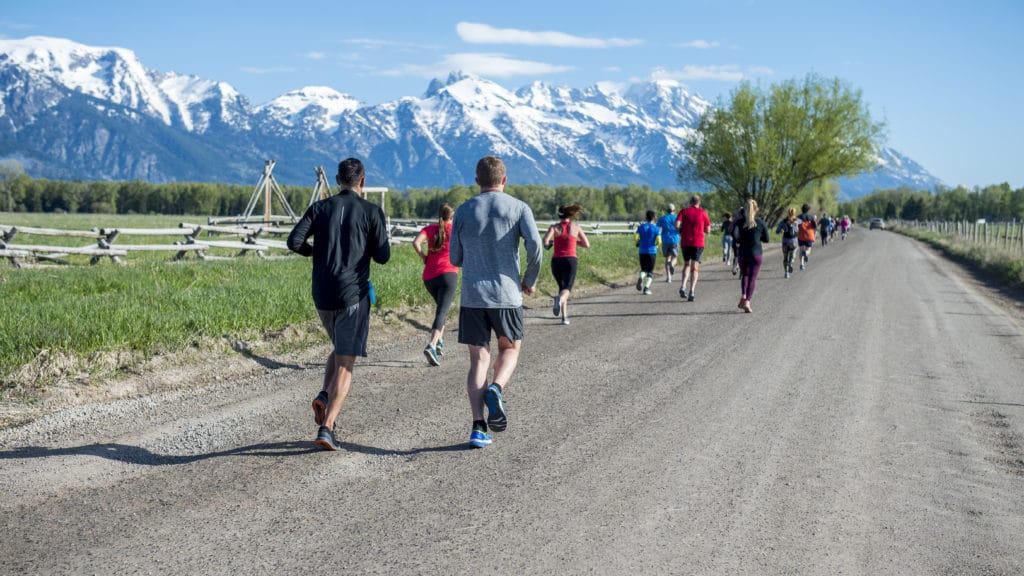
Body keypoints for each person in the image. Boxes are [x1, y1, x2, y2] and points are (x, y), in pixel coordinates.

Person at [287, 157, 391, 451]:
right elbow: (383, 256)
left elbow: (294, 242)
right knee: (346, 362)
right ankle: (328, 426)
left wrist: (317, 253)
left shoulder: (320, 208)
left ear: (337, 179)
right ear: (363, 181)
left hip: (322, 293)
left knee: (339, 346)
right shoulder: (372, 212)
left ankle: (323, 395)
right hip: (352, 294)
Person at [449, 156, 542, 449]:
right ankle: (496, 387)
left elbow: (455, 258)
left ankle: (478, 428)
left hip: (473, 296)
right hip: (507, 294)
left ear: (477, 181)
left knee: (478, 360)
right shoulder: (518, 207)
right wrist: (529, 278)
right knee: (510, 349)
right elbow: (536, 246)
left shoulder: (463, 211)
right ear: (504, 180)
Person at [412, 203, 459, 366]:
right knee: (442, 311)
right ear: (452, 217)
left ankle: (439, 341)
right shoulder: (455, 230)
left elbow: (415, 243)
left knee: (441, 309)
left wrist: (424, 257)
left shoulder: (430, 229)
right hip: (448, 274)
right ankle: (432, 345)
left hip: (429, 277)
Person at [543, 204, 590, 325]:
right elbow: (586, 244)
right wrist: (574, 241)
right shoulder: (575, 227)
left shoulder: (554, 227)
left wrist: (550, 244)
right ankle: (560, 301)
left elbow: (546, 242)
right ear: (570, 214)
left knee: (562, 288)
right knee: (567, 288)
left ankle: (564, 317)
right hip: (570, 260)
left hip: (556, 261)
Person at [732, 198, 769, 313]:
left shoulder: (739, 222)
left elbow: (734, 236)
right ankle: (747, 301)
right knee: (752, 278)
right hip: (756, 254)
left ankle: (743, 295)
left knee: (744, 275)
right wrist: (758, 236)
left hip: (742, 253)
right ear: (756, 209)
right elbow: (767, 239)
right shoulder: (761, 222)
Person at [675, 194, 712, 302]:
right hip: (698, 243)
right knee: (695, 267)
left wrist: (682, 229)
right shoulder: (703, 213)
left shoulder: (684, 211)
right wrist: (701, 229)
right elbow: (708, 230)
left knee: (686, 264)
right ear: (699, 202)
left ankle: (683, 286)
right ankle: (692, 291)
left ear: (691, 202)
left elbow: (677, 224)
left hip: (685, 242)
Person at [634, 210, 661, 295]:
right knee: (650, 271)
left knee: (643, 269)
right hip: (652, 251)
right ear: (654, 218)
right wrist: (656, 246)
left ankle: (641, 277)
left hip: (642, 251)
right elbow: (659, 241)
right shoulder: (656, 228)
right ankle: (646, 289)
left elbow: (636, 237)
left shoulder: (641, 227)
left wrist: (638, 243)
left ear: (646, 218)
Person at [656, 204, 680, 282]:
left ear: (666, 210)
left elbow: (658, 229)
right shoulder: (677, 218)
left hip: (665, 240)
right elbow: (680, 227)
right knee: (675, 257)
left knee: (667, 258)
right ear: (674, 210)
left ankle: (668, 277)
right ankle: (672, 265)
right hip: (674, 239)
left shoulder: (662, 218)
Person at [775, 207, 800, 278]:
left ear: (788, 213)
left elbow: (777, 231)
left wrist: (781, 231)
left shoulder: (783, 222)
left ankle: (786, 273)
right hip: (794, 242)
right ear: (794, 213)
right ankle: (790, 263)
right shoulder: (796, 221)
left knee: (785, 257)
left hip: (785, 242)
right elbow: (797, 231)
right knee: (793, 256)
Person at [796, 204, 817, 271]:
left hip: (801, 235)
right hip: (809, 235)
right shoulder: (811, 217)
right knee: (808, 250)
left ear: (802, 209)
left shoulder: (798, 217)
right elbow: (815, 226)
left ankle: (802, 265)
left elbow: (796, 226)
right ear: (808, 210)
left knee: (801, 249)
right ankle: (805, 253)